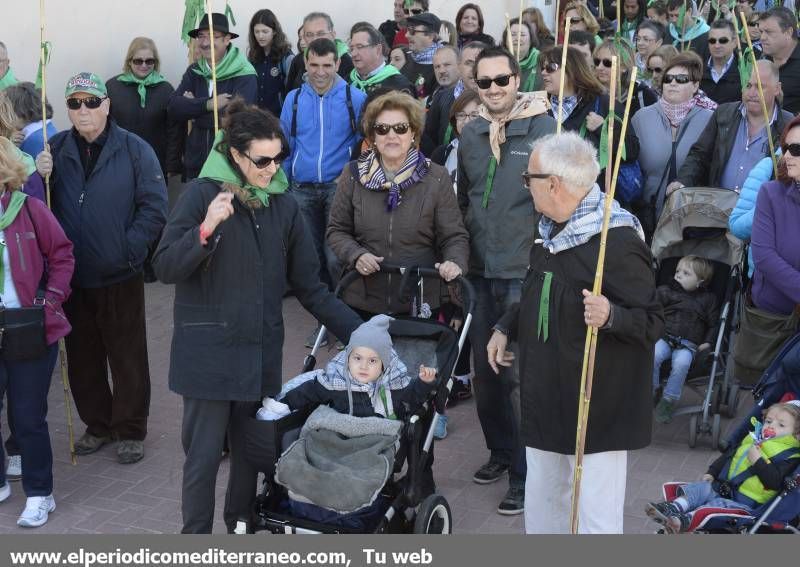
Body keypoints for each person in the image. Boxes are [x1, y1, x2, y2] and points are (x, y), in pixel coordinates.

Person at [152, 100, 363, 534]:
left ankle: (241, 528)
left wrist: (360, 333)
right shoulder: (201, 194)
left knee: (250, 455)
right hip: (208, 356)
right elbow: (166, 266)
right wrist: (204, 231)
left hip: (259, 351)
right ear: (235, 155)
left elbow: (310, 286)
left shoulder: (283, 205)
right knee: (204, 459)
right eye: (262, 160)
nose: (272, 168)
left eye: (279, 157)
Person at [488, 132, 662, 533]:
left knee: (594, 519)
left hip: (594, 406)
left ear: (553, 184)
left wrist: (613, 316)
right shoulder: (551, 230)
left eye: (527, 177)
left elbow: (653, 320)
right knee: (545, 504)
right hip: (547, 395)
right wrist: (505, 326)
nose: (524, 184)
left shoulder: (616, 243)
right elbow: (537, 291)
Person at [35, 72, 167, 465]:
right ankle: (98, 424)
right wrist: (39, 174)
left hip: (119, 273)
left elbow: (155, 206)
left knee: (127, 356)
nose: (83, 111)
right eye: (74, 103)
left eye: (91, 102)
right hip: (73, 277)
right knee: (82, 357)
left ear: (107, 105)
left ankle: (130, 428)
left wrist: (130, 249)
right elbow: (35, 206)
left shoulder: (134, 149)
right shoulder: (54, 150)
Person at [457, 46, 556, 516]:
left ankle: (524, 473)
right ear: (475, 85)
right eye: (485, 82)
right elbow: (464, 198)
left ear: (518, 79)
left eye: (502, 80)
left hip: (522, 270)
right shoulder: (471, 132)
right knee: (484, 374)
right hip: (478, 270)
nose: (494, 90)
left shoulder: (543, 127)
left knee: (516, 377)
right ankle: (500, 452)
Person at [326, 90, 469, 318]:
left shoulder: (436, 176)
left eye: (400, 128)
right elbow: (337, 230)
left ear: (413, 132)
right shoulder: (353, 173)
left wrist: (454, 262)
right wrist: (356, 255)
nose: (391, 135)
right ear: (373, 135)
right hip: (363, 297)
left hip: (420, 297)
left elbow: (454, 236)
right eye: (382, 129)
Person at [0, 137, 74, 528]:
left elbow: (62, 254)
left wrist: (51, 301)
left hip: (28, 325)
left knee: (27, 417)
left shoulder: (29, 209)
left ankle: (40, 494)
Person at [281, 38, 367, 348]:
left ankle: (345, 324)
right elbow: (286, 145)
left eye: (327, 65)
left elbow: (362, 144)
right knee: (311, 262)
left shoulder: (353, 97)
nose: (320, 72)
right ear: (305, 64)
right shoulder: (292, 98)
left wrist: (353, 177)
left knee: (336, 259)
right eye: (314, 65)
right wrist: (285, 183)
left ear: (337, 64)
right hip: (301, 190)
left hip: (337, 188)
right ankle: (322, 326)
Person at [646, 402, 800, 533]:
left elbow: (774, 481)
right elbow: (729, 456)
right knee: (702, 488)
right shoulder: (753, 438)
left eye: (781, 425)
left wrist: (758, 461)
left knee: (717, 507)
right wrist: (712, 472)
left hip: (745, 505)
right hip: (722, 488)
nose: (771, 426)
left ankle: (683, 521)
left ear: (796, 434)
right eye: (768, 421)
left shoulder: (790, 456)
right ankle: (672, 508)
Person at [278, 315, 436, 419]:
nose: (363, 366)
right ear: (348, 359)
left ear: (384, 365)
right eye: (357, 358)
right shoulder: (336, 382)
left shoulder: (393, 383)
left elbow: (412, 396)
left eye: (373, 361)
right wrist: (283, 405)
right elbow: (307, 391)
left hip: (377, 438)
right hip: (341, 436)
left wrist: (424, 382)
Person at [670, 59, 791, 194]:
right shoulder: (724, 114)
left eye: (760, 87)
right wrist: (683, 181)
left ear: (777, 89)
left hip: (760, 211)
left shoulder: (789, 127)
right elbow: (700, 155)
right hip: (718, 207)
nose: (752, 93)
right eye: (748, 85)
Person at [632, 51, 714, 237]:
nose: (673, 83)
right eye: (668, 78)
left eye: (681, 79)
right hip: (649, 216)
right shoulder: (642, 117)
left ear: (695, 85)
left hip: (691, 220)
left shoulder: (710, 119)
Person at [168, 13, 257, 179]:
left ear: (227, 39)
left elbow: (238, 120)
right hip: (195, 163)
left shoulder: (244, 73)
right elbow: (173, 108)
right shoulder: (195, 71)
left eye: (213, 36)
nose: (205, 42)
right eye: (201, 36)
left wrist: (193, 110)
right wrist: (207, 105)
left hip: (228, 167)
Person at [539, 46, 638, 183]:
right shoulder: (538, 106)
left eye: (550, 67)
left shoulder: (604, 104)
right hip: (548, 190)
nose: (544, 73)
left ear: (571, 70)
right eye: (542, 68)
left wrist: (603, 129)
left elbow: (632, 150)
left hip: (590, 192)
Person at [652, 255, 719, 423]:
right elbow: (652, 309)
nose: (679, 275)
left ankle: (669, 400)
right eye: (677, 271)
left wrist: (708, 342)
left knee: (681, 364)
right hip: (665, 337)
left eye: (686, 273)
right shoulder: (667, 291)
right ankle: (653, 390)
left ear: (700, 281)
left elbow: (713, 324)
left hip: (688, 345)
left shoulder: (708, 299)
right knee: (652, 355)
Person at [106, 37, 182, 177]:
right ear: (129, 61)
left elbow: (174, 130)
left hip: (155, 163)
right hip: (119, 162)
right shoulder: (112, 87)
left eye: (149, 61)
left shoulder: (166, 89)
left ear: (155, 62)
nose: (144, 65)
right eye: (138, 61)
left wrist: (172, 164)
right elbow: (103, 126)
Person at [421, 41, 486, 155]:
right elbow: (429, 138)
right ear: (459, 66)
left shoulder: (498, 101)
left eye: (480, 62)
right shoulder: (442, 98)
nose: (475, 69)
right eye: (469, 63)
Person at [286, 12, 354, 92]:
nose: (315, 39)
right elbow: (290, 92)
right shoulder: (298, 60)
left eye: (320, 33)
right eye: (309, 34)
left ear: (333, 35)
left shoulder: (347, 62)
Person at [247, 9, 295, 117]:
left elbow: (293, 91)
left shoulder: (286, 57)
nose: (260, 36)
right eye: (257, 32)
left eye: (265, 31)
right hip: (257, 118)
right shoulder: (252, 56)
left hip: (279, 118)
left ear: (274, 31)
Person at [593, 38, 658, 116]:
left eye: (607, 63)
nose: (599, 67)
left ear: (624, 66)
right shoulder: (589, 93)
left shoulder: (643, 95)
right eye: (597, 62)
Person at [349, 22, 414, 97]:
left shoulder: (398, 85)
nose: (353, 54)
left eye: (360, 47)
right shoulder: (349, 81)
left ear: (378, 50)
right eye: (352, 48)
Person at [759, 7, 800, 114]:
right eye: (761, 31)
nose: (762, 37)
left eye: (769, 32)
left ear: (788, 32)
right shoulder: (758, 58)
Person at [3, 82, 57, 159]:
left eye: (6, 110)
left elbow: (21, 169)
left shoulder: (35, 141)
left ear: (21, 110)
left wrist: (10, 150)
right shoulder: (47, 129)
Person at [699, 20, 742, 105]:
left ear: (734, 42)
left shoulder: (745, 73)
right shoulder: (697, 70)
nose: (717, 45)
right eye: (712, 41)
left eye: (723, 40)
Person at [401, 12, 443, 99]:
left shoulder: (441, 65)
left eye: (412, 31)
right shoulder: (407, 58)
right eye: (407, 30)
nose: (406, 35)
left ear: (430, 36)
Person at [500, 18, 542, 92]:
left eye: (522, 35)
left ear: (531, 39)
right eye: (513, 35)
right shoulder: (497, 61)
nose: (517, 38)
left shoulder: (542, 60)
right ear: (505, 39)